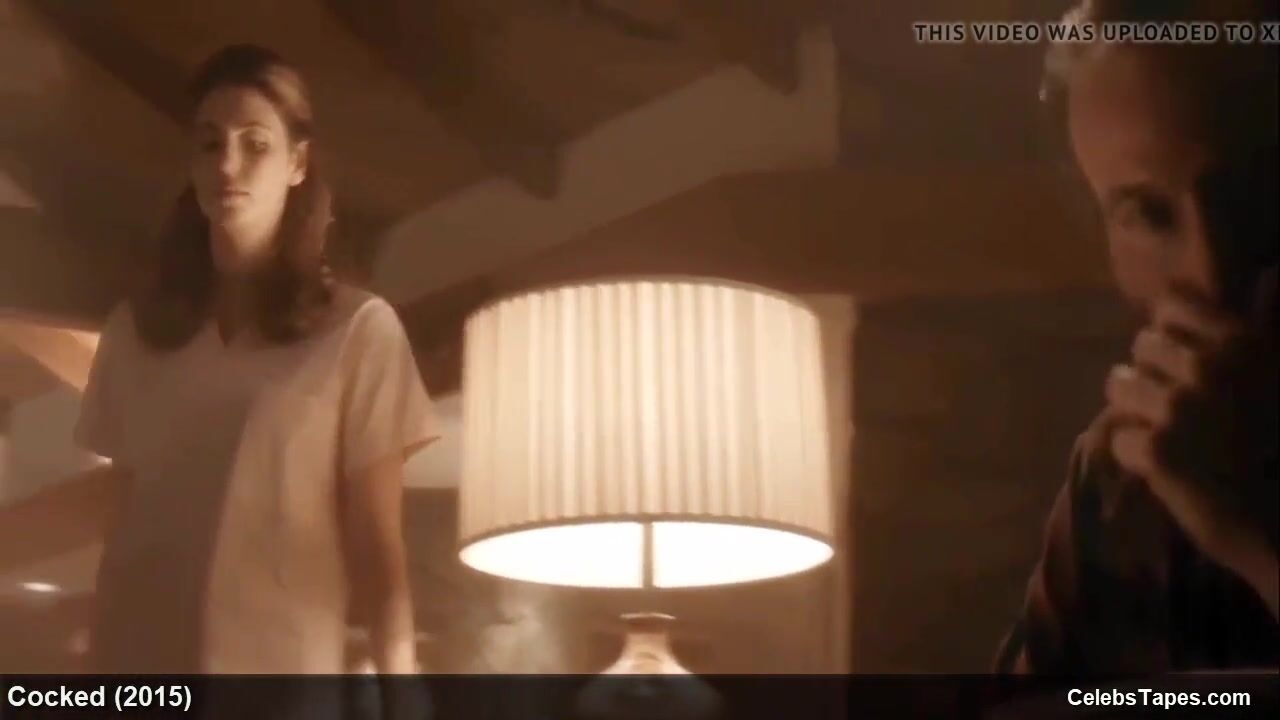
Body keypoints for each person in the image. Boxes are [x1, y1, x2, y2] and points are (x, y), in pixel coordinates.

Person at [1, 44, 437, 677]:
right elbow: (117, 507)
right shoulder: (136, 332)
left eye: (254, 144)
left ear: (297, 162)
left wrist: (402, 687)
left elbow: (376, 541)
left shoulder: (357, 331)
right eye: (210, 143)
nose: (228, 164)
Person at [997, 0, 1278, 673]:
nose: (1211, 271)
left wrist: (1260, 538)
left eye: (1252, 192)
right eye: (1147, 215)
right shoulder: (1117, 476)